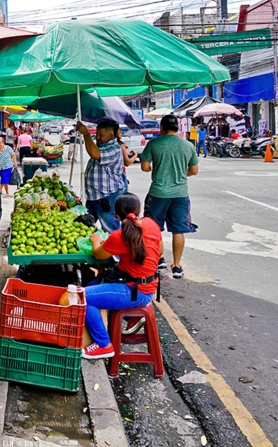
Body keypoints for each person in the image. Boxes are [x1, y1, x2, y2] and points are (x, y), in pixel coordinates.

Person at [81, 194, 162, 359]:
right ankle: (130, 320)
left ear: (116, 214)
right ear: (138, 210)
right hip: (147, 286)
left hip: (135, 291)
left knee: (81, 297)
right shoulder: (151, 224)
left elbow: (99, 254)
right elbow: (160, 252)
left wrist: (96, 240)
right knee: (92, 284)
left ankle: (104, 345)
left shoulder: (119, 236)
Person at [140, 114, 199, 280]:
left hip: (158, 193)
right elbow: (194, 171)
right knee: (178, 229)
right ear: (177, 128)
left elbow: (145, 167)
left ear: (162, 128)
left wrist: (158, 168)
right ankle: (177, 266)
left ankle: (159, 260)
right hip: (181, 194)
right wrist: (180, 174)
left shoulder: (154, 144)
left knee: (154, 228)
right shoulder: (188, 146)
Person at [77, 120, 127, 232]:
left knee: (111, 230)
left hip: (106, 198)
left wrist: (86, 134)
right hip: (93, 197)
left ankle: (114, 249)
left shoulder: (114, 148)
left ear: (110, 136)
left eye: (101, 135)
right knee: (85, 227)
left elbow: (95, 154)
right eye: (97, 135)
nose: (98, 138)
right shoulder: (102, 147)